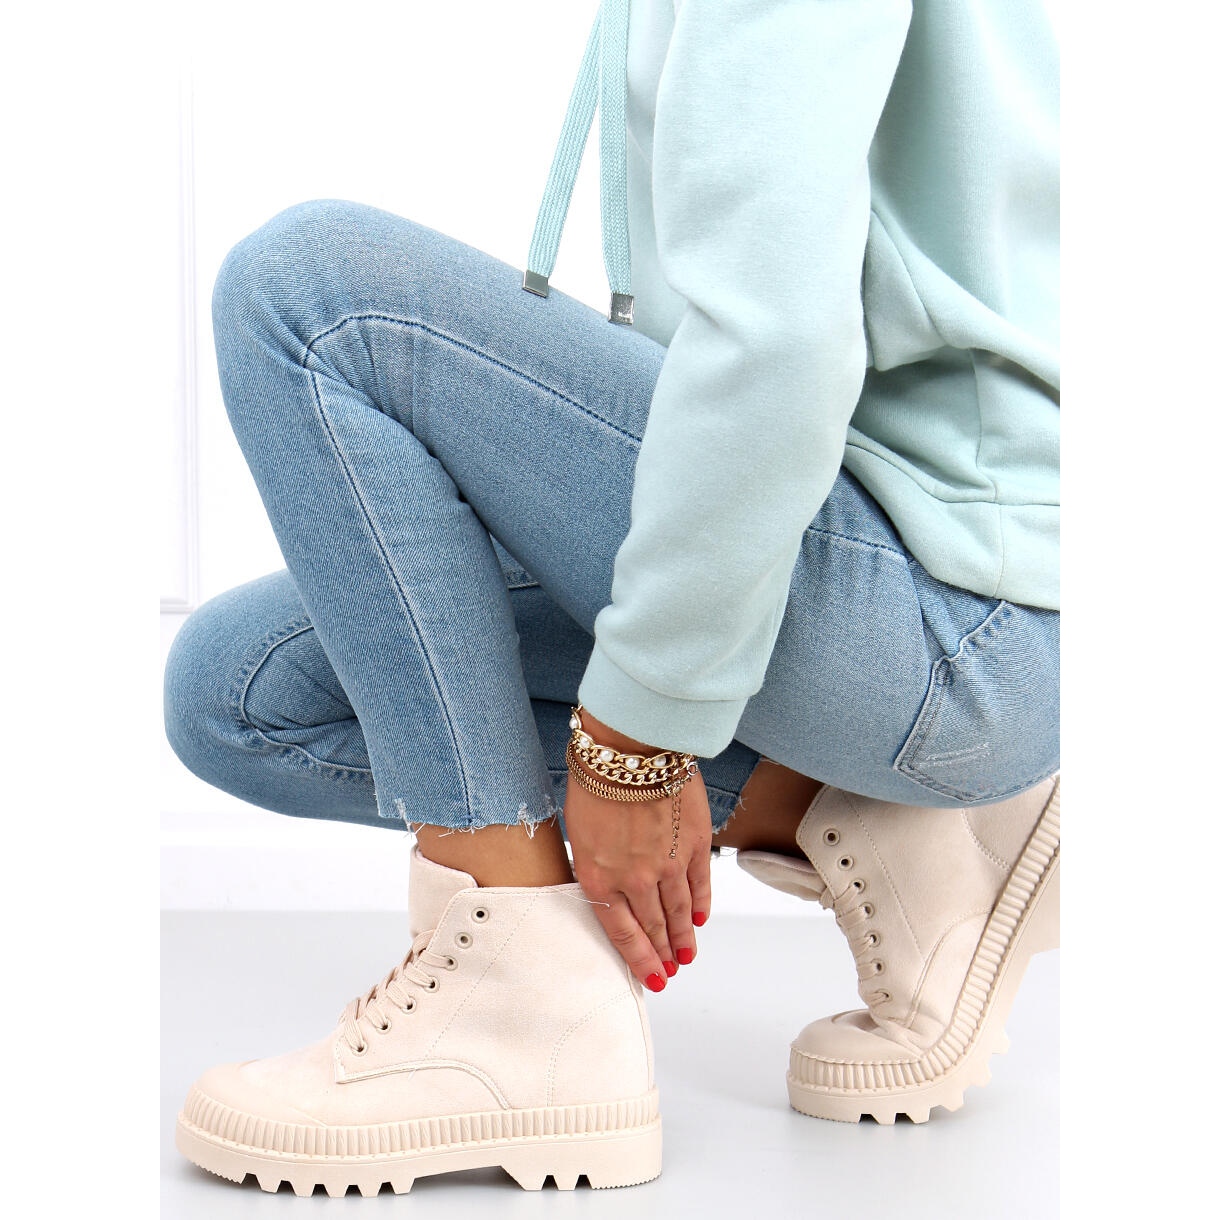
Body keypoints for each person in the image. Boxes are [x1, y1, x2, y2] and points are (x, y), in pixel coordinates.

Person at [163, 0, 1059, 1196]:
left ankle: (519, 1005)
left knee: (312, 291)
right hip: (904, 586)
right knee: (241, 691)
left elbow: (772, 351)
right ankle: (876, 817)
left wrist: (634, 737)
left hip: (951, 612)